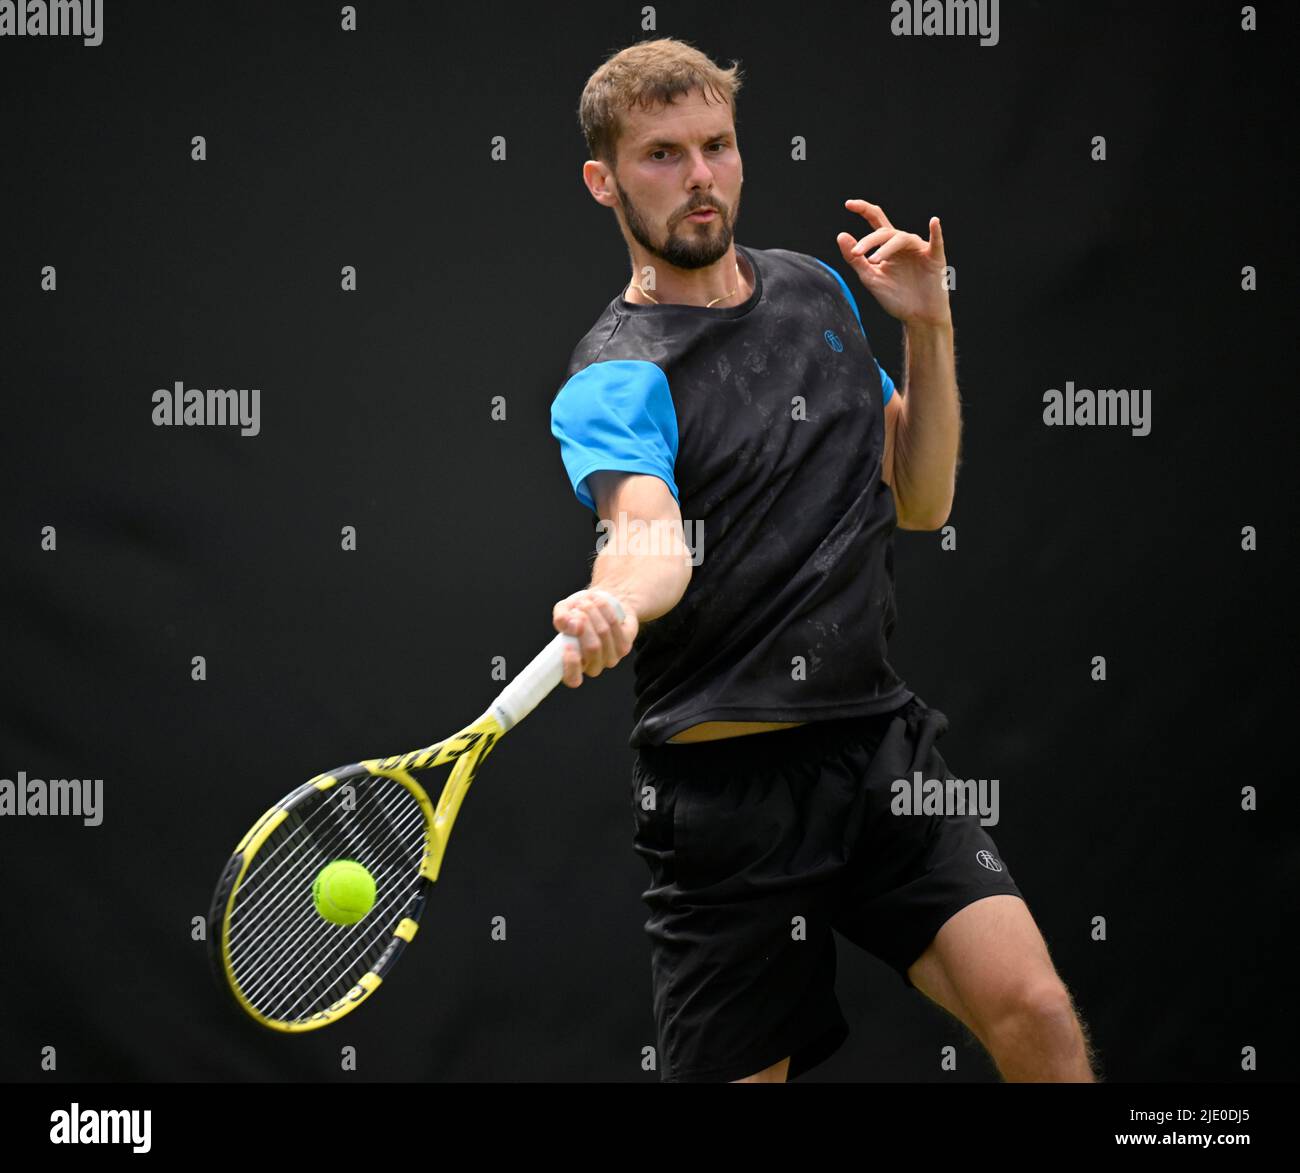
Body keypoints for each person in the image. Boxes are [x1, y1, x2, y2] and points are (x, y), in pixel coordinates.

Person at [548, 37, 1097, 1084]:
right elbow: (647, 534)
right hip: (723, 802)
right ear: (603, 180)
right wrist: (611, 602)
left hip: (874, 748)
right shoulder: (613, 377)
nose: (700, 177)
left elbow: (922, 498)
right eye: (663, 155)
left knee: (1034, 1010)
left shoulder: (813, 291)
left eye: (717, 145)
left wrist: (928, 330)